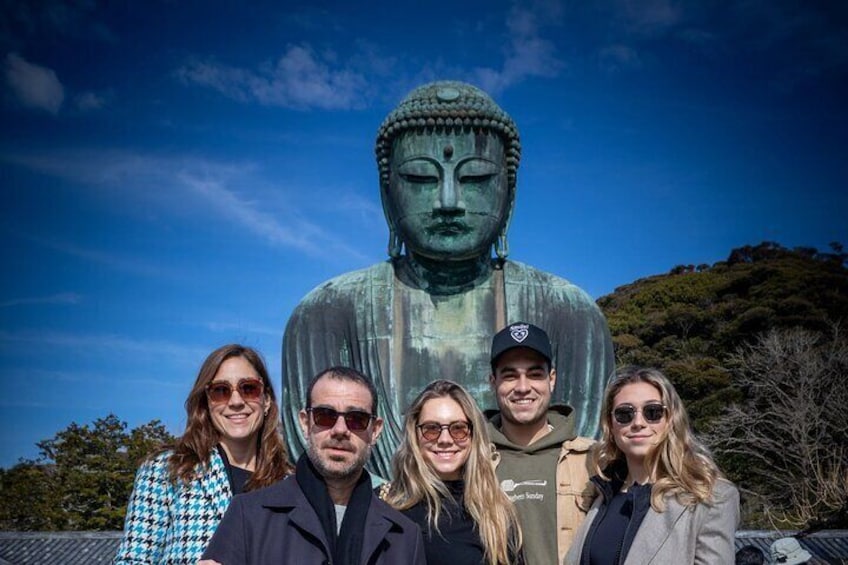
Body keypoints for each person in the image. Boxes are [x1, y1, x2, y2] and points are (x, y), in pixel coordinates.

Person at [282, 80, 614, 477]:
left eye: (475, 179)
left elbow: (582, 459)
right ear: (388, 194)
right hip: (378, 530)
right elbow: (321, 456)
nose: (448, 202)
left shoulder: (570, 314)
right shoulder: (327, 312)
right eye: (421, 179)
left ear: (509, 193)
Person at [200, 366, 426, 564]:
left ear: (375, 430)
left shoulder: (405, 536)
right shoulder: (248, 516)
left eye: (356, 419)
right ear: (305, 423)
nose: (340, 430)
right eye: (325, 416)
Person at [113, 344, 291, 564]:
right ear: (206, 403)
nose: (236, 402)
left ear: (266, 400)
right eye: (221, 391)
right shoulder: (166, 471)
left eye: (248, 388)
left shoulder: (290, 483)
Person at [565, 366, 740, 564]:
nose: (638, 422)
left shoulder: (711, 497)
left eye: (653, 412)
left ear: (670, 419)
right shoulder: (601, 494)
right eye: (625, 414)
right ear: (611, 425)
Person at [486, 321, 595, 565]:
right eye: (510, 375)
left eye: (535, 374)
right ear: (493, 382)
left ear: (552, 379)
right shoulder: (473, 459)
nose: (523, 387)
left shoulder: (592, 459)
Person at [381, 379, 524, 565]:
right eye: (431, 429)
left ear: (474, 435)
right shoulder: (387, 506)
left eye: (458, 429)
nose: (445, 439)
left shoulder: (496, 514)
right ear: (414, 435)